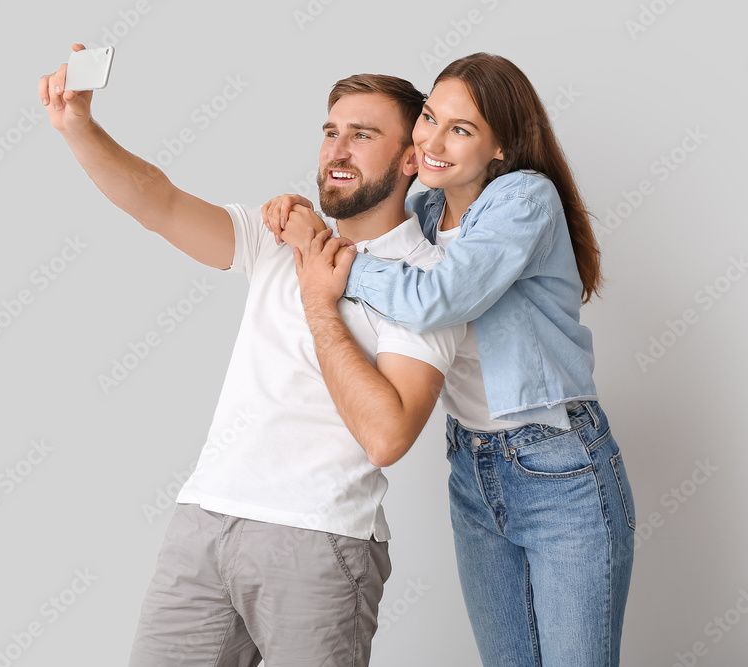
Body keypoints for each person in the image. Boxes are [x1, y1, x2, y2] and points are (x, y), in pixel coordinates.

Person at [40, 43, 465, 665]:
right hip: (205, 521)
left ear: (409, 159)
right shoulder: (279, 238)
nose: (337, 150)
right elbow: (156, 202)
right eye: (331, 131)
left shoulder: (428, 280)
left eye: (362, 135)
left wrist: (322, 305)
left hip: (321, 539)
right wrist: (79, 127)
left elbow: (387, 436)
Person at [267, 53, 636, 666]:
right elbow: (368, 218)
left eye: (460, 130)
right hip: (474, 467)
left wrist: (333, 263)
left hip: (560, 467)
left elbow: (434, 297)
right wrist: (302, 209)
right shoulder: (429, 211)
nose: (432, 141)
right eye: (429, 118)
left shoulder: (524, 198)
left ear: (501, 146)